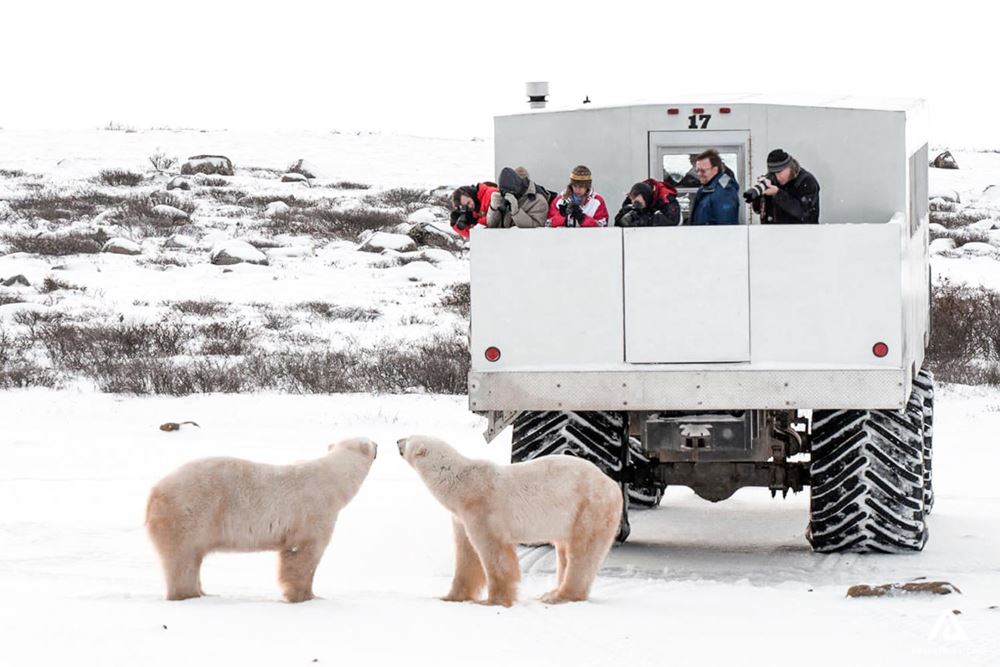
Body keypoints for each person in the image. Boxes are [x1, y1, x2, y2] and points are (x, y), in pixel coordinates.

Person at [749, 149, 820, 224]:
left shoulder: (806, 181)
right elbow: (758, 210)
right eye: (774, 173)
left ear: (790, 167)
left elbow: (807, 215)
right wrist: (759, 193)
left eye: (779, 172)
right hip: (773, 233)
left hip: (801, 233)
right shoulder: (772, 181)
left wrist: (777, 194)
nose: (778, 177)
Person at [690, 149, 740, 225]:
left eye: (703, 171)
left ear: (715, 170)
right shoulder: (706, 189)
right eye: (697, 170)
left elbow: (726, 226)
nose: (699, 174)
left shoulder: (724, 193)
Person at [614, 179, 681, 227]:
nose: (633, 202)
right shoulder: (634, 195)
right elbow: (619, 221)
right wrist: (623, 218)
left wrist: (643, 220)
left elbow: (672, 220)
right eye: (631, 198)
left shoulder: (666, 199)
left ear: (645, 196)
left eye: (636, 201)